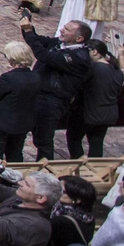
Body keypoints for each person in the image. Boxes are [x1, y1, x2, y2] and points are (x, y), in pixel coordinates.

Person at [22, 13, 92, 160]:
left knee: (43, 140)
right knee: (24, 131)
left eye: (67, 29)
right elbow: (40, 41)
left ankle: (44, 171)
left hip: (52, 102)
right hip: (37, 95)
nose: (62, 30)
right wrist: (28, 26)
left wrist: (28, 32)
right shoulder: (60, 43)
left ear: (79, 39)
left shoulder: (78, 57)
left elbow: (44, 55)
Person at [0, 42, 39, 163]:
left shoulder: (8, 78)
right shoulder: (35, 76)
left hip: (0, 123)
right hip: (22, 123)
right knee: (15, 153)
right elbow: (17, 89)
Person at [69, 40, 124, 158]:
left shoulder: (92, 68)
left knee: (74, 139)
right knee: (96, 142)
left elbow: (79, 86)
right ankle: (95, 167)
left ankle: (79, 166)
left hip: (89, 112)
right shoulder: (117, 70)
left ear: (94, 52)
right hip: (108, 114)